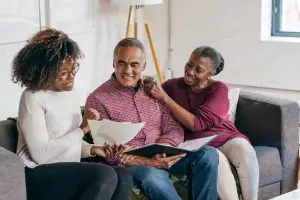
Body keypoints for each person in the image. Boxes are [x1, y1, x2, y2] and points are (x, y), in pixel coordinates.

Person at [85, 37, 219, 200]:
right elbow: (107, 152)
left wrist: (163, 149)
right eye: (122, 63)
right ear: (114, 63)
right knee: (151, 175)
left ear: (143, 67)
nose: (127, 70)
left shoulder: (154, 91)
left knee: (208, 154)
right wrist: (148, 161)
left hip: (162, 154)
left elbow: (174, 128)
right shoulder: (97, 99)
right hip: (133, 164)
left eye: (134, 64)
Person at [13, 28, 133, 200]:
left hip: (66, 168)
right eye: (63, 73)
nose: (71, 77)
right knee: (104, 175)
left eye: (73, 69)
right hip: (35, 174)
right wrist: (83, 129)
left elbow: (66, 141)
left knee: (124, 176)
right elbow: (42, 154)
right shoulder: (32, 97)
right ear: (44, 72)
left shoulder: (70, 93)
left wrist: (93, 149)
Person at [144, 46, 260, 200]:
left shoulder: (218, 88)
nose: (190, 71)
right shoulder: (172, 86)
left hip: (225, 136)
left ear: (210, 74)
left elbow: (197, 124)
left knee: (244, 149)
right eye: (189, 64)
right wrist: (147, 85)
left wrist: (165, 98)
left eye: (198, 70)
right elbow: (150, 99)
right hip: (198, 144)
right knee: (216, 159)